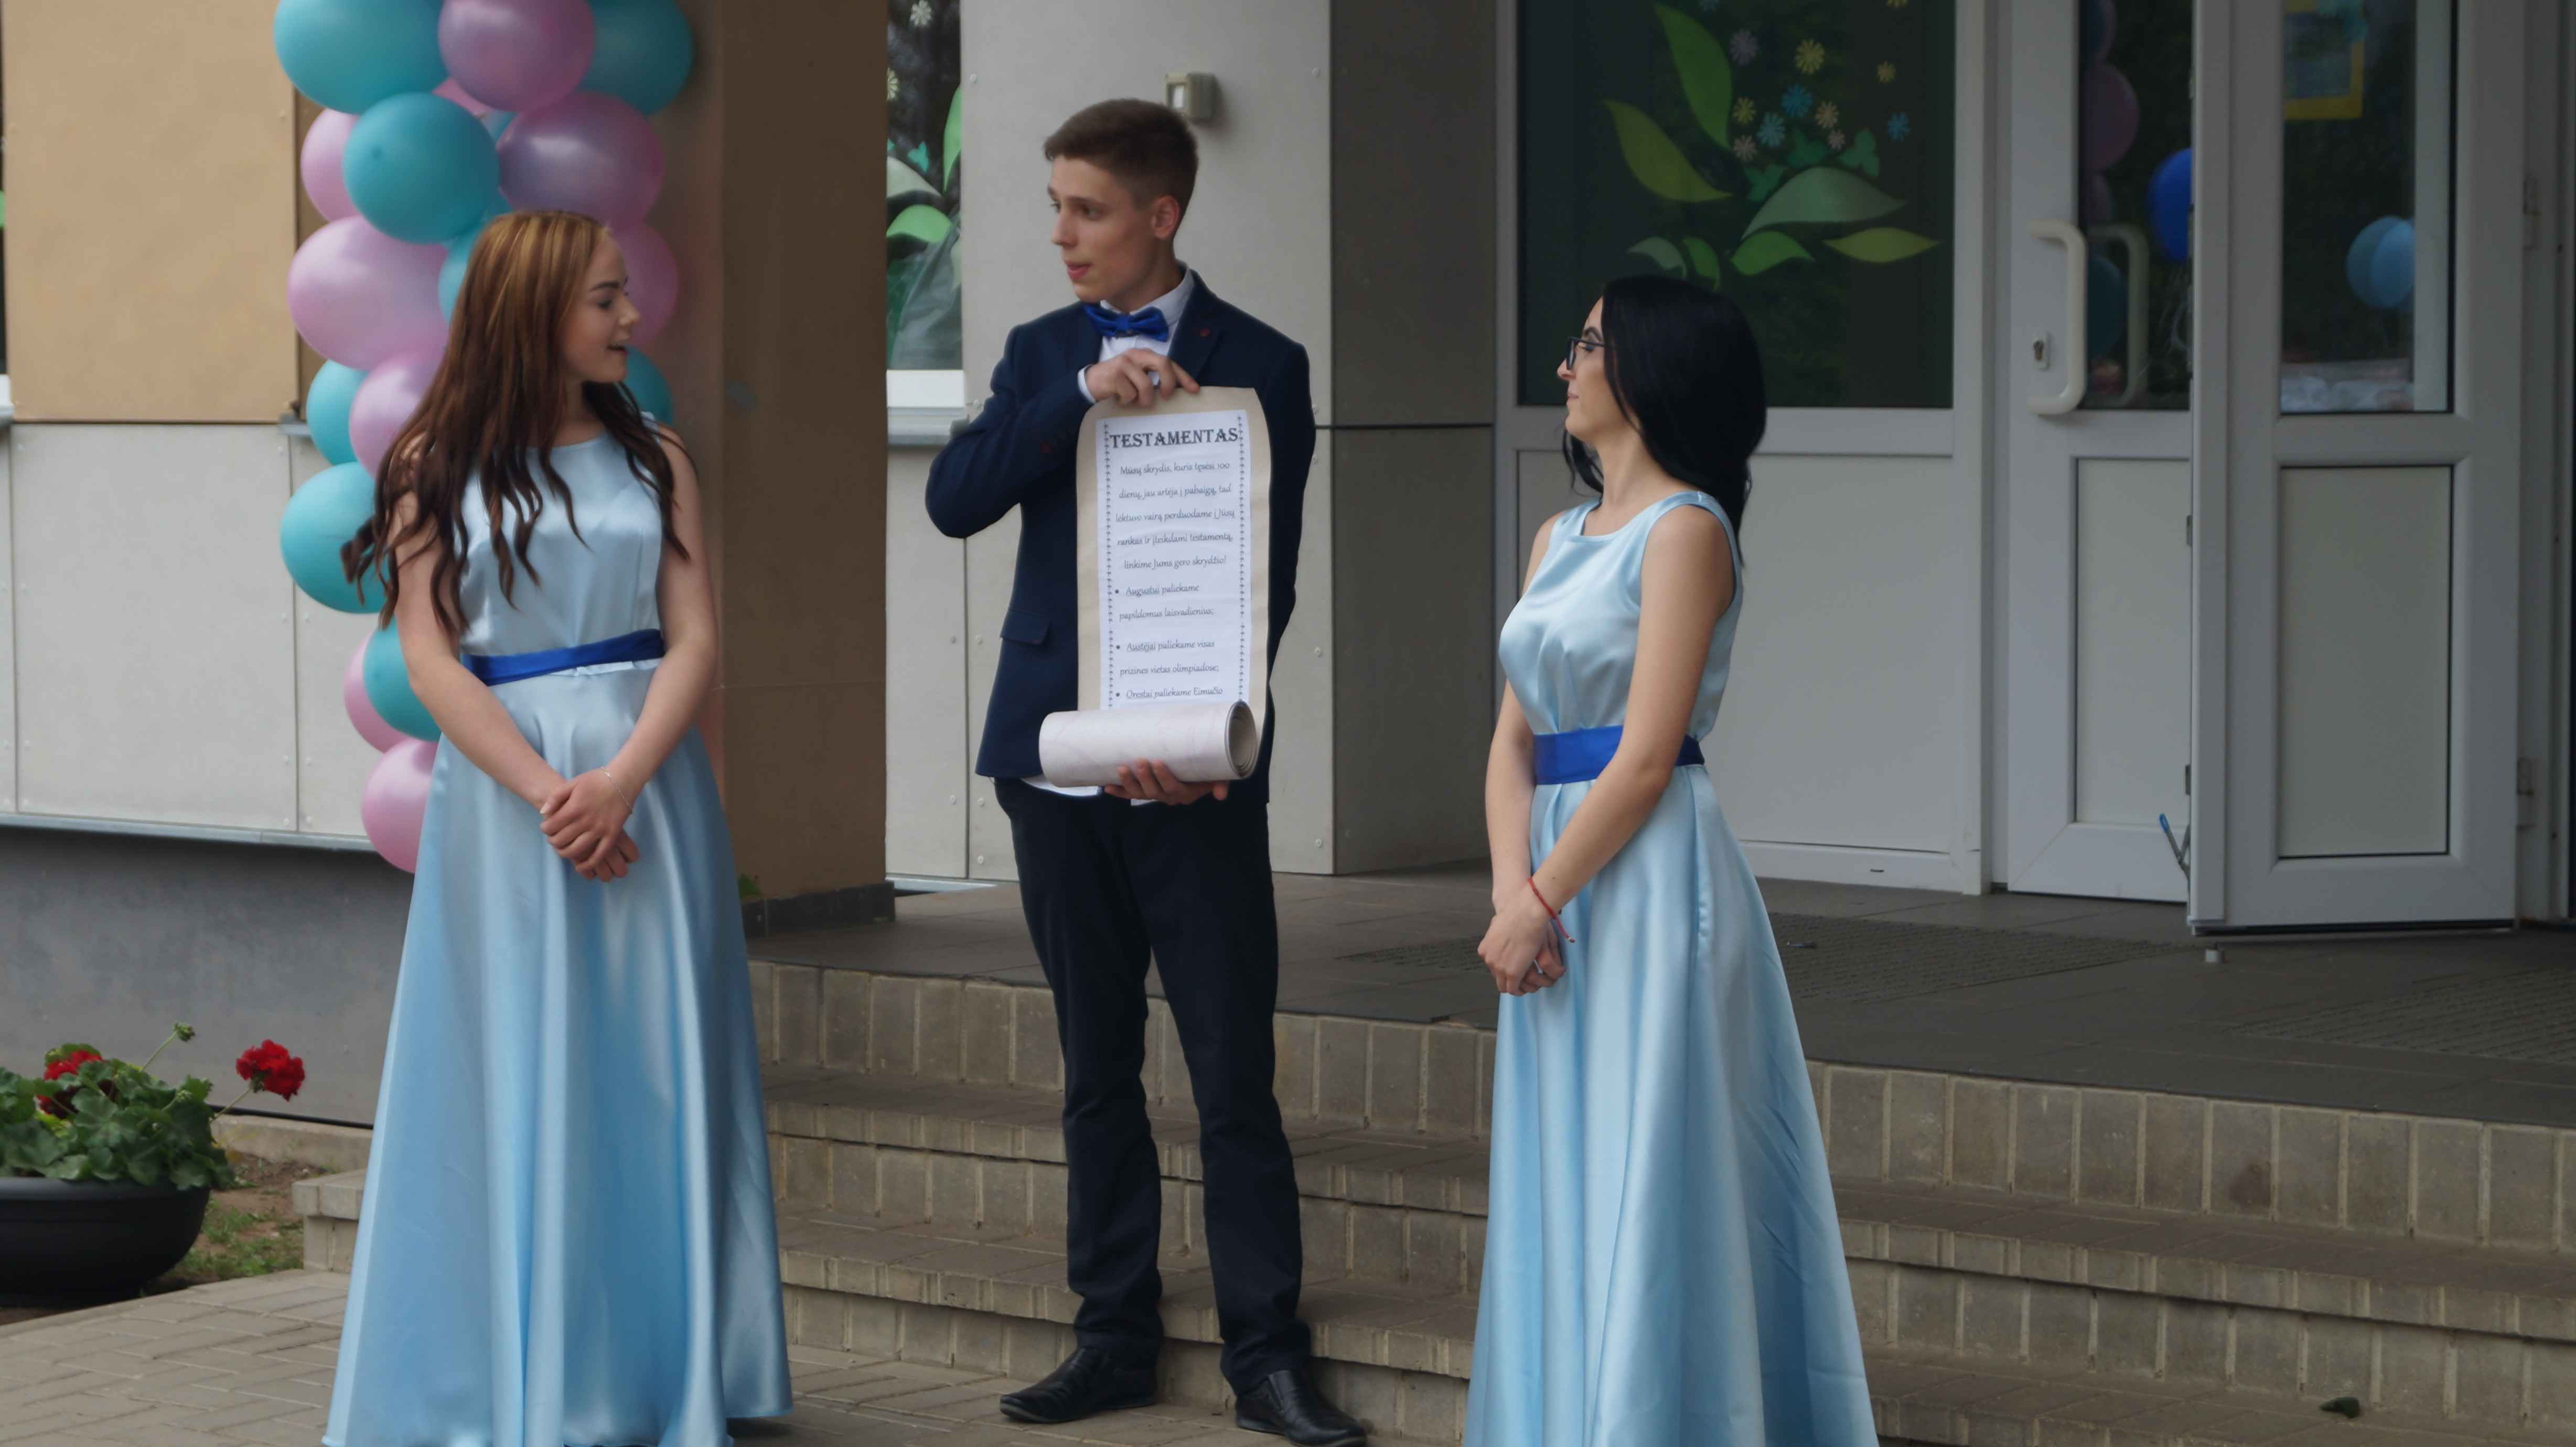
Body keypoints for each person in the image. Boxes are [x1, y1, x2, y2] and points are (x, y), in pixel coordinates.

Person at [925, 99, 1363, 1446]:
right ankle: (1110, 1337)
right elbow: (954, 500)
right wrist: (1071, 399)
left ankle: (1264, 1357)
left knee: (1231, 1069)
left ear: (1159, 216)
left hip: (1193, 780)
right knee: (1094, 1067)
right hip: (1052, 765)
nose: (1062, 234)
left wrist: (1197, 744)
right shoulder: (1038, 352)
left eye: (1088, 209)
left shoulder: (1264, 362)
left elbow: (1265, 579)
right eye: (1055, 206)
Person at [323, 210, 791, 1447]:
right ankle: (526, 1376)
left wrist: (622, 780)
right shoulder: (433, 464)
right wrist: (550, 793)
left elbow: (695, 636)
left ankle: (666, 1375)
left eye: (625, 292)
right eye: (605, 297)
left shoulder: (657, 456)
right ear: (533, 311)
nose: (631, 316)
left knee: (657, 1069)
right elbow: (430, 657)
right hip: (507, 811)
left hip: (653, 796)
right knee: (522, 1065)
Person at [1463, 276, 1875, 1445]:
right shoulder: (1555, 536)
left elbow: (1646, 758)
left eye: (1589, 344)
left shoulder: (1687, 531)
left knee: (1650, 1161)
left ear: (1649, 370)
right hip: (1550, 885)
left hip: (1644, 882)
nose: (1565, 365)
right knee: (1565, 1166)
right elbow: (1511, 742)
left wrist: (1540, 897)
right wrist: (1511, 893)